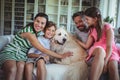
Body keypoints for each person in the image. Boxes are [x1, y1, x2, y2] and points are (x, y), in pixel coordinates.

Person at [0, 13, 72, 80]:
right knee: (12, 69)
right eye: (37, 21)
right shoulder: (29, 33)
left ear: (44, 26)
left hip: (22, 55)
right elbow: (43, 49)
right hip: (12, 51)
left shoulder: (39, 32)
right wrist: (61, 56)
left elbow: (51, 34)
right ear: (34, 20)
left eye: (42, 23)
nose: (39, 25)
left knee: (21, 67)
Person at [77, 7, 120, 80]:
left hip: (110, 51)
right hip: (97, 49)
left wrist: (105, 62)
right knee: (100, 51)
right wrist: (75, 40)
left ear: (95, 19)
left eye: (87, 19)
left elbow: (109, 46)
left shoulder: (107, 27)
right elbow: (87, 46)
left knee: (113, 65)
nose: (85, 21)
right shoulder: (92, 29)